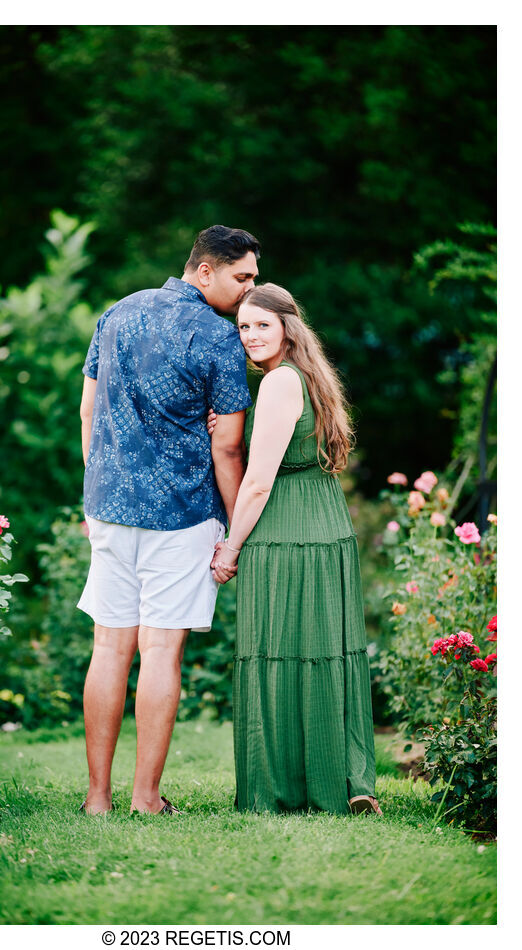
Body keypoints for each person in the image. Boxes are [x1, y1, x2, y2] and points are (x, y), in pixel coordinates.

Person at [77, 225, 260, 815]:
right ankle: (145, 798)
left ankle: (97, 799)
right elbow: (228, 448)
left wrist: (95, 491)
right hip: (181, 513)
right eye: (242, 277)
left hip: (108, 507)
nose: (249, 289)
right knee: (160, 652)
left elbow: (88, 408)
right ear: (205, 270)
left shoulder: (115, 313)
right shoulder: (218, 336)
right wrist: (237, 529)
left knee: (108, 647)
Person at [209, 283, 381, 816]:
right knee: (325, 653)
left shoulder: (280, 383)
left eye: (262, 324)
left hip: (288, 531)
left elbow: (258, 482)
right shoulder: (310, 377)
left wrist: (230, 547)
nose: (251, 335)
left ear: (287, 325)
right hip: (324, 522)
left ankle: (284, 788)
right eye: (243, 327)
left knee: (278, 651)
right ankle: (343, 778)